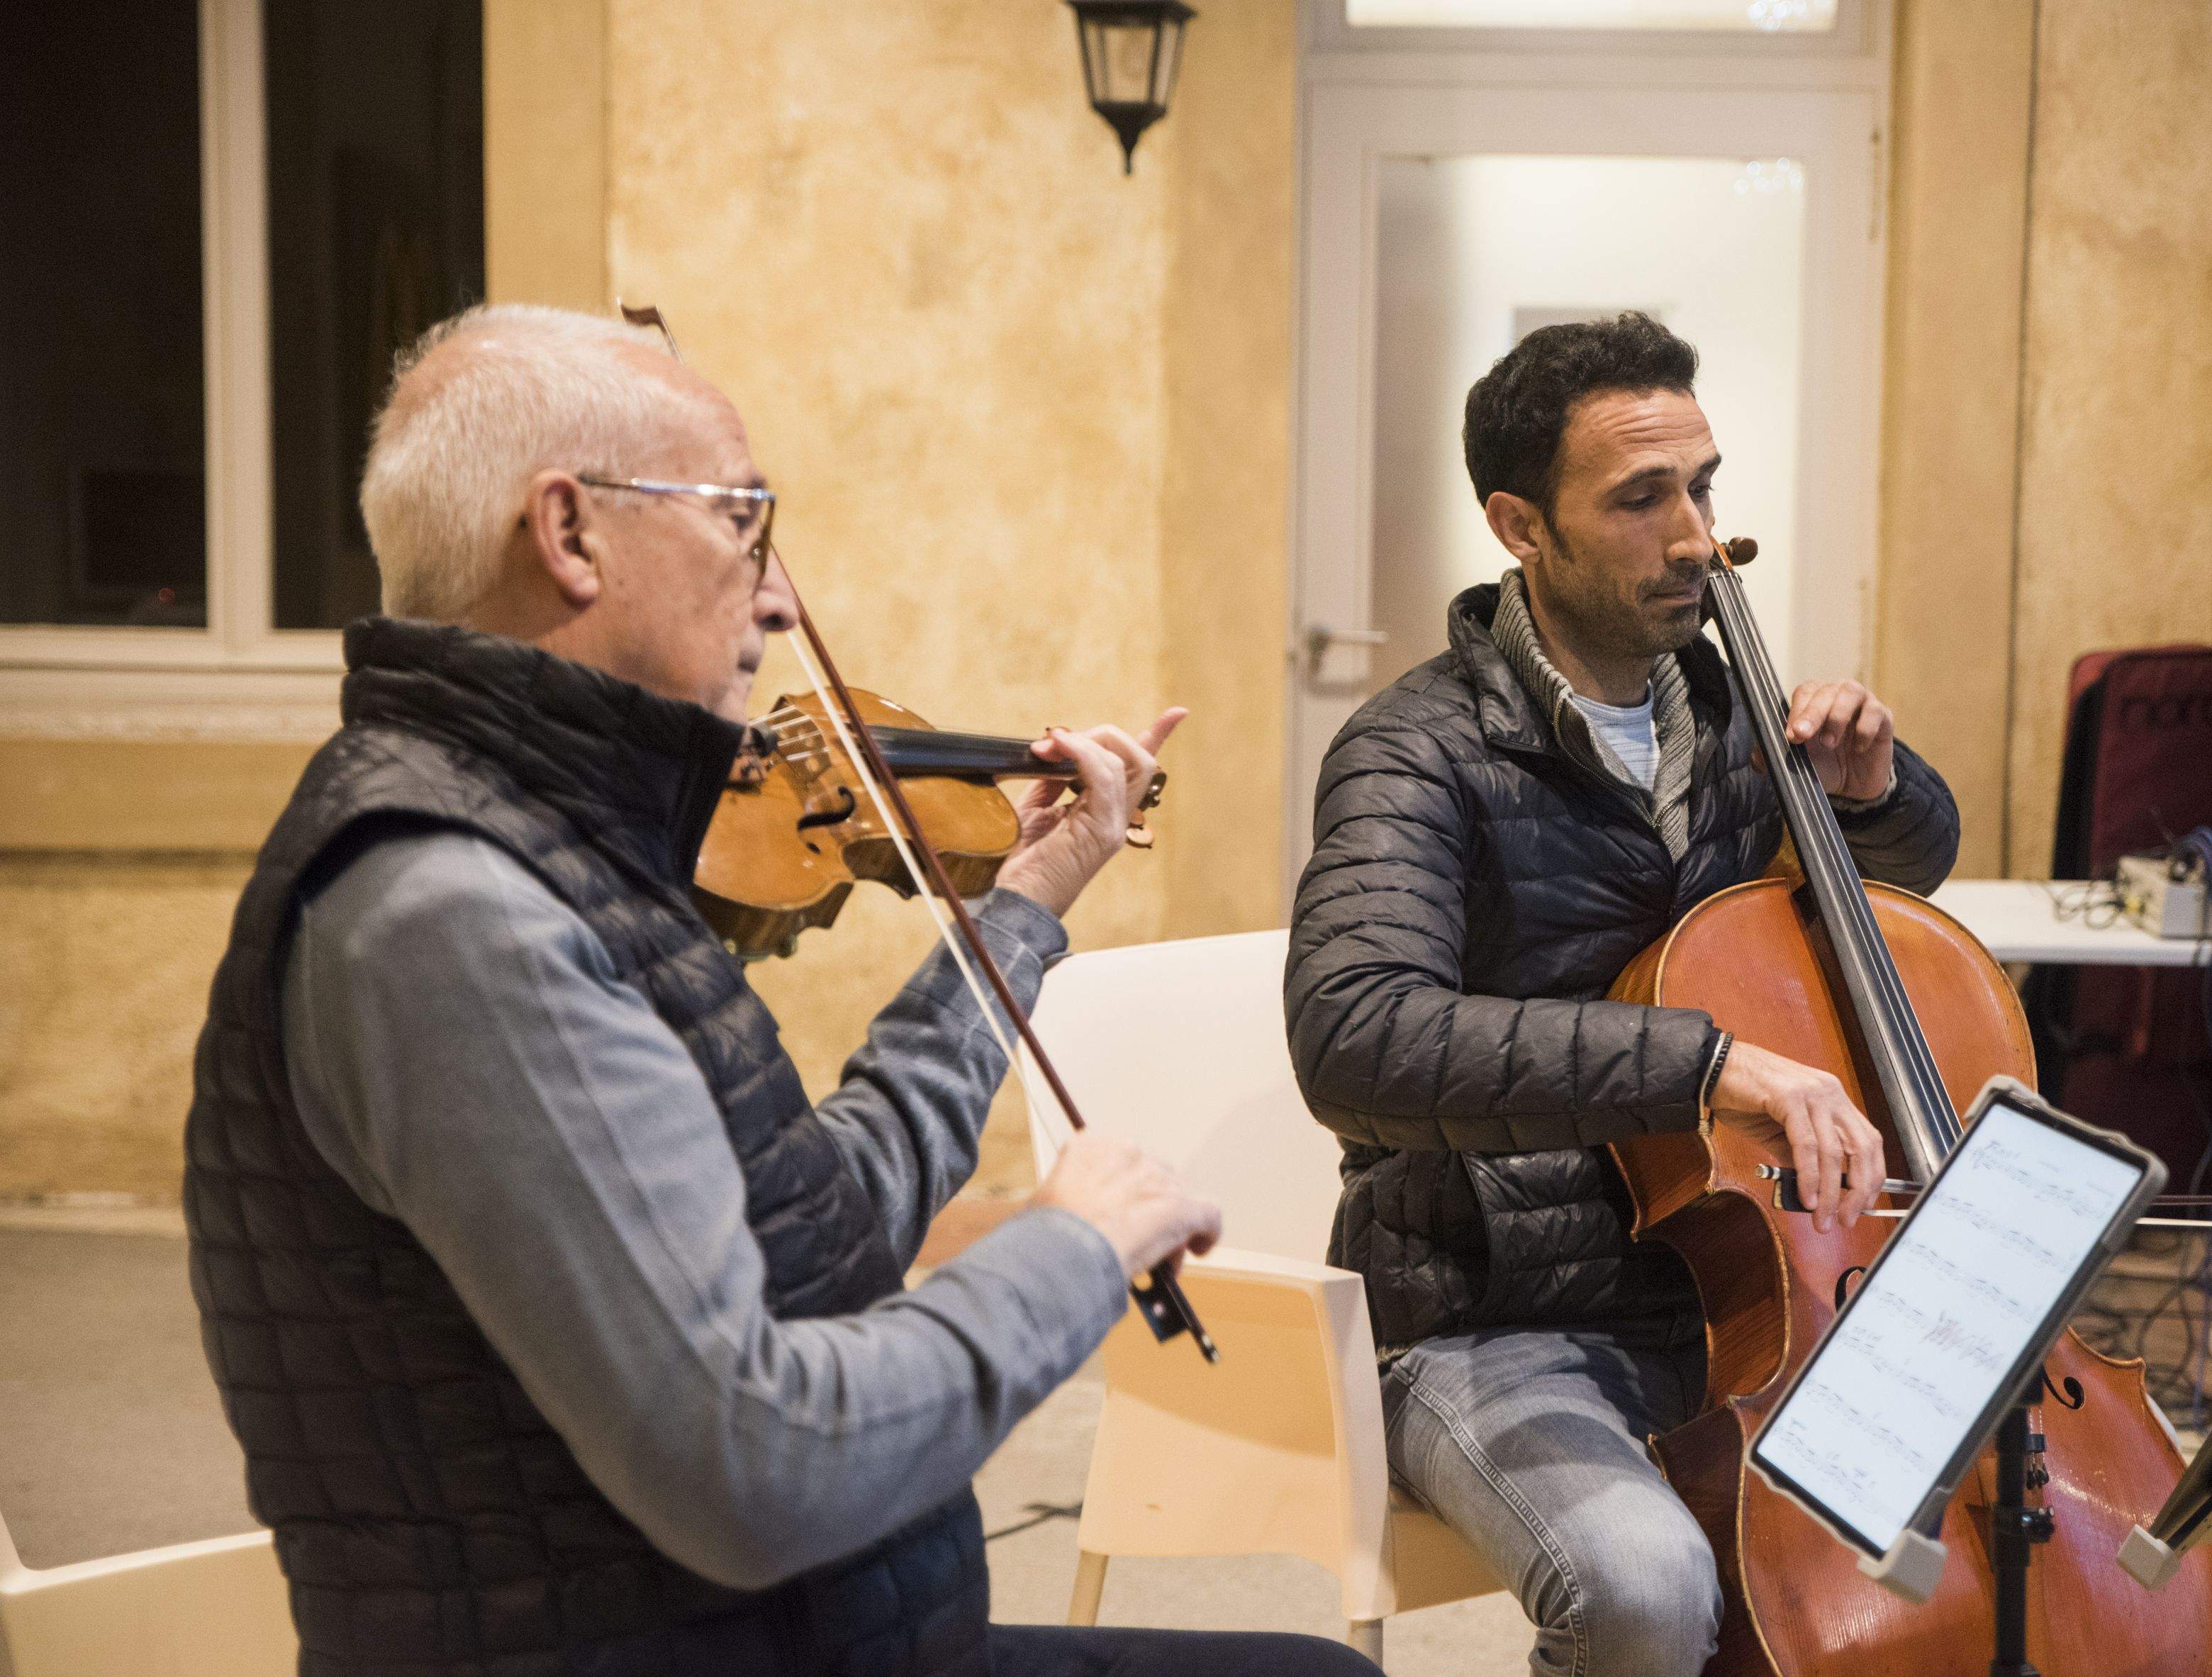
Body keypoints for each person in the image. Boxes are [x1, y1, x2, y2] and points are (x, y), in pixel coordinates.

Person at [184, 303, 1373, 1677]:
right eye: (741, 522)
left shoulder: (565, 841)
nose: (778, 594)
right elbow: (753, 1464)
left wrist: (1028, 902)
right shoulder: (453, 909)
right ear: (569, 535)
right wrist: (1066, 1256)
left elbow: (824, 1222)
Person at [1285, 315, 1961, 1677]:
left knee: (1976, 1537)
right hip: (1494, 1311)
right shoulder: (1412, 752)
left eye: (1702, 486)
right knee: (1645, 1593)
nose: (1697, 535)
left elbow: (1907, 870)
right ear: (1518, 525)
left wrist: (1878, 792)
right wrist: (1704, 1067)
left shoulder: (1731, 716)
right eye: (1641, 498)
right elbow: (1354, 1037)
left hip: (1748, 1288)